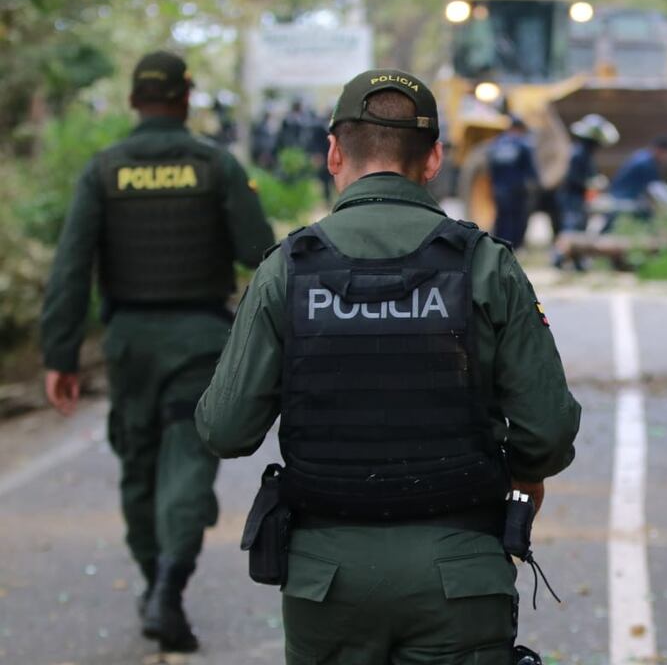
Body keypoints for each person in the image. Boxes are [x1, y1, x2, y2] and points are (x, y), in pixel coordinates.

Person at [195, 69, 580, 664]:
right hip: (460, 573)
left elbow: (225, 429)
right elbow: (547, 431)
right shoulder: (485, 264)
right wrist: (525, 477)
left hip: (326, 583)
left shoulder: (287, 269)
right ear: (434, 159)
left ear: (333, 153)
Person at [40, 51, 275, 652]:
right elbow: (259, 250)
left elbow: (71, 269)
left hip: (130, 345)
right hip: (198, 340)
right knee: (188, 458)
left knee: (139, 462)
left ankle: (153, 582)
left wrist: (60, 355)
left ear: (132, 101)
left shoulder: (104, 170)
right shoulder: (215, 165)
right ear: (186, 98)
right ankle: (170, 583)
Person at [555, 114, 618, 271]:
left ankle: (577, 261)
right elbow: (572, 178)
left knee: (579, 229)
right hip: (571, 197)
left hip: (578, 197)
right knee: (571, 228)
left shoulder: (584, 154)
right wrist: (590, 182)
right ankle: (559, 258)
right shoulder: (578, 154)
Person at [487, 116, 541, 248]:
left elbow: (490, 167)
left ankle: (498, 243)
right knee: (517, 219)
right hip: (517, 190)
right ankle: (513, 245)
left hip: (499, 189)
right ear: (520, 128)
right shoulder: (522, 144)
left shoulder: (497, 144)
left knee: (502, 217)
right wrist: (537, 184)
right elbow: (530, 169)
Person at [606, 136, 667, 229]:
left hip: (619, 194)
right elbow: (656, 188)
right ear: (660, 150)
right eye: (665, 153)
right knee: (646, 214)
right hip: (624, 197)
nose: (665, 157)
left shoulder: (642, 155)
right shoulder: (646, 163)